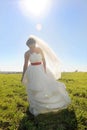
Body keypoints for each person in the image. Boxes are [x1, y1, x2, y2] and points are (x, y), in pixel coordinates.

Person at [21, 35, 71, 116]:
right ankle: (37, 105)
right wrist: (23, 75)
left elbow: (44, 60)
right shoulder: (26, 53)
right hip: (32, 70)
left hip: (41, 68)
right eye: (30, 46)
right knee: (35, 87)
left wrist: (44, 70)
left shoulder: (39, 49)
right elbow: (25, 65)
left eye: (33, 45)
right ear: (28, 46)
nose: (32, 48)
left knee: (46, 85)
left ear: (35, 43)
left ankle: (50, 102)